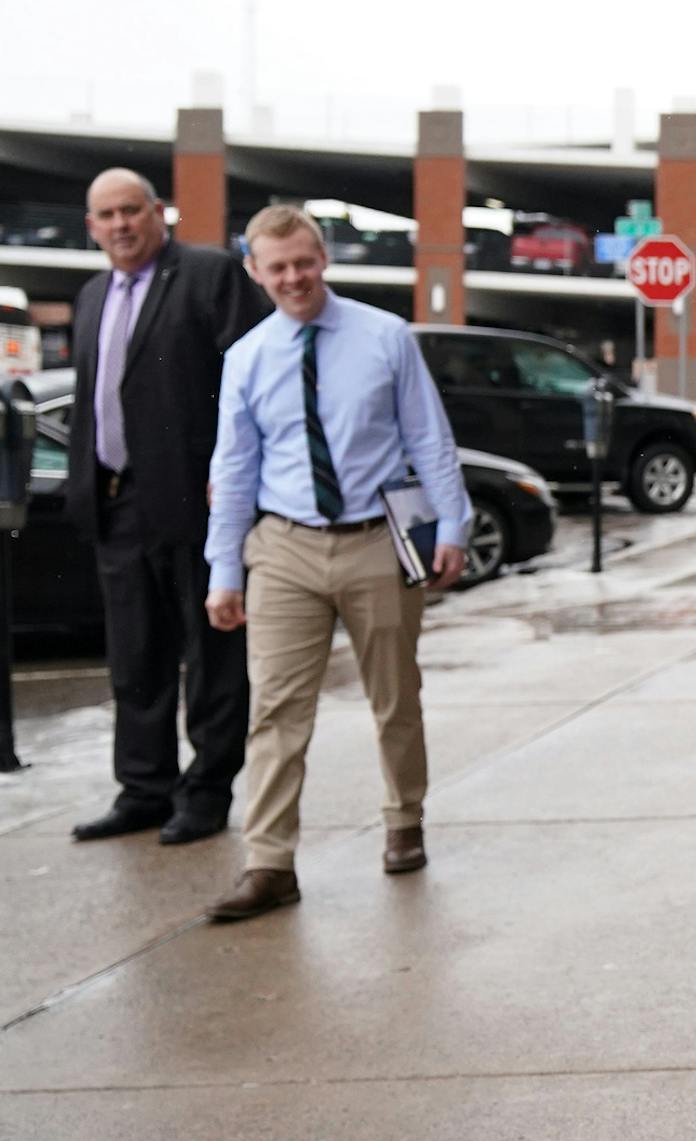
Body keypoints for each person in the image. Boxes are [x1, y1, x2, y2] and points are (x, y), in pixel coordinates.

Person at [200, 204, 468, 922]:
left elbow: (428, 437)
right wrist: (224, 570)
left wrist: (454, 525)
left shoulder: (385, 337)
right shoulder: (247, 358)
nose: (293, 278)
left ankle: (403, 819)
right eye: (277, 267)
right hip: (284, 547)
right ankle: (269, 862)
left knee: (394, 697)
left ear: (323, 259)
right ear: (256, 271)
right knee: (276, 712)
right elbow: (233, 468)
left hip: (377, 541)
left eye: (304, 262)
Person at [64, 169, 265, 846]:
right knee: (135, 659)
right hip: (116, 505)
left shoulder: (209, 276)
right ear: (91, 227)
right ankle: (144, 789)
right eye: (106, 216)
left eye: (131, 211)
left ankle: (207, 792)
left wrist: (239, 481)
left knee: (211, 659)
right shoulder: (91, 295)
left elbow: (255, 380)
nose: (120, 225)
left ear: (158, 214)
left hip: (197, 503)